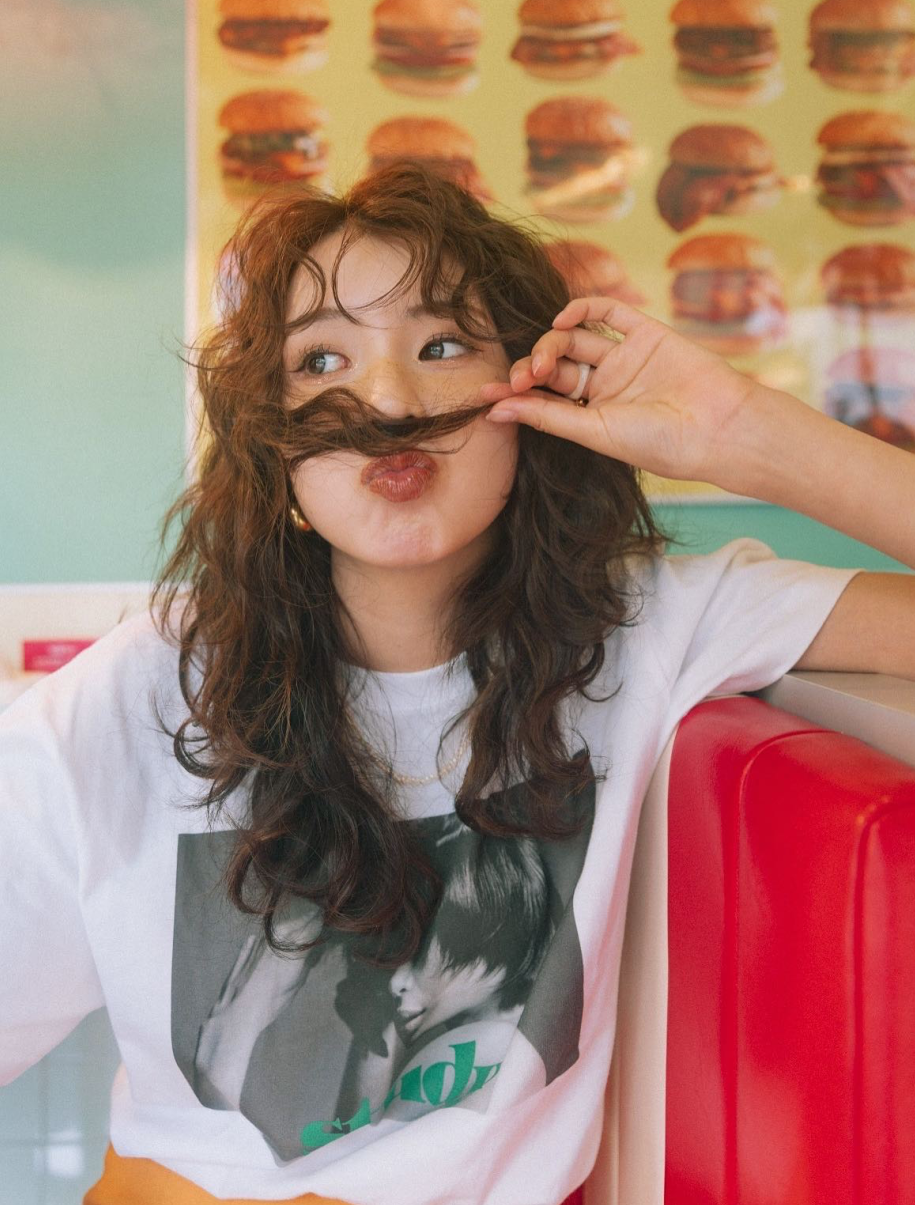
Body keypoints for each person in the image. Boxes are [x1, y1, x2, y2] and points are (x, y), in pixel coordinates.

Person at [0, 163, 912, 1205]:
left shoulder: (646, 627)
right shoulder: (132, 699)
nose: (390, 399)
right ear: (272, 440)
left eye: (441, 346)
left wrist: (742, 433)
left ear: (533, 394)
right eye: (322, 359)